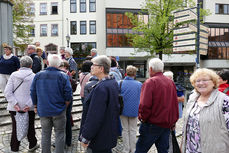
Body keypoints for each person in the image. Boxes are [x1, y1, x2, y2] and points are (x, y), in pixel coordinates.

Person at [30, 54, 72, 153]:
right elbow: (68, 94)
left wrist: (35, 105)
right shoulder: (63, 75)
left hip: (44, 109)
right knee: (60, 133)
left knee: (45, 134)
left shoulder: (38, 75)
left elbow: (33, 92)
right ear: (59, 64)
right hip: (59, 110)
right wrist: (65, 105)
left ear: (48, 63)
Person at [135, 58, 178, 153]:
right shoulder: (170, 82)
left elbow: (144, 105)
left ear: (150, 69)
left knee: (140, 150)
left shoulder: (150, 82)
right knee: (163, 150)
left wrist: (143, 118)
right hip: (166, 124)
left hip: (152, 123)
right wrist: (173, 121)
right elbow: (174, 104)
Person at [181, 68, 229, 153]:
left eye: (205, 80)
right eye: (197, 81)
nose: (201, 83)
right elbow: (187, 128)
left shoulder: (224, 101)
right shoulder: (192, 99)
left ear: (214, 82)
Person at [79, 55, 120, 153]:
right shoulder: (112, 82)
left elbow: (95, 116)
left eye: (94, 65)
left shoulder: (101, 88)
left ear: (101, 68)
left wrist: (86, 137)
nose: (91, 67)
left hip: (99, 136)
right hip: (107, 132)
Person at [4, 56, 39, 152]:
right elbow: (35, 93)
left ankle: (14, 148)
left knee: (15, 127)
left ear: (20, 64)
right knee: (30, 126)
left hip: (14, 107)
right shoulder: (34, 76)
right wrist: (29, 104)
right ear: (31, 65)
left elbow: (7, 92)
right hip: (30, 107)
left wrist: (15, 103)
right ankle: (32, 144)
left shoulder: (14, 75)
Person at [118, 65, 142, 153]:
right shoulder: (139, 84)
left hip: (122, 110)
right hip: (134, 110)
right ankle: (133, 149)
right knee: (133, 130)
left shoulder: (120, 83)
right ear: (135, 74)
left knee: (125, 130)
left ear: (126, 73)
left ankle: (126, 149)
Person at [59, 61, 74, 148]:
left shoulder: (64, 73)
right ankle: (68, 141)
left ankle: (65, 141)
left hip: (65, 100)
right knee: (67, 119)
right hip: (68, 99)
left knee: (65, 120)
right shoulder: (67, 74)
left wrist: (67, 102)